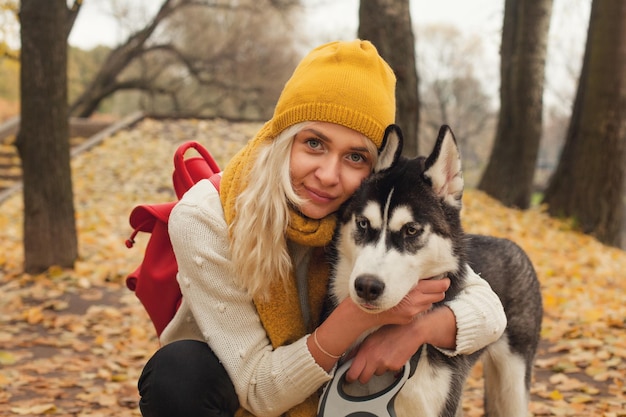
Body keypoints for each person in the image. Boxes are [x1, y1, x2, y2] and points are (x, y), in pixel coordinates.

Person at [137, 39, 506, 417]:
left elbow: (489, 309)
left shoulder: (361, 212)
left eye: (355, 156)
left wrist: (416, 330)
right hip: (234, 398)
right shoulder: (207, 216)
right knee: (179, 372)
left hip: (333, 401)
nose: (328, 176)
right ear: (284, 139)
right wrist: (364, 315)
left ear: (373, 169)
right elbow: (257, 390)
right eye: (314, 143)